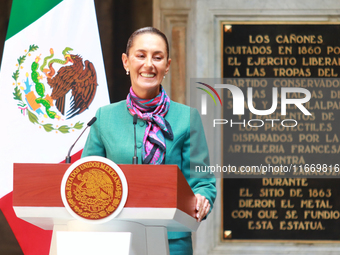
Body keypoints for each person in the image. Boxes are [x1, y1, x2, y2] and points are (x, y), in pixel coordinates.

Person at [82, 27, 216, 255]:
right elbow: (87, 176)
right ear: (126, 62)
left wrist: (202, 198)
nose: (149, 64)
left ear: (167, 66)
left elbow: (203, 181)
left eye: (157, 57)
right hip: (114, 239)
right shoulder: (104, 117)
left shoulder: (187, 117)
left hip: (171, 241)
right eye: (141, 55)